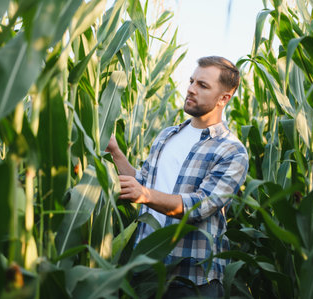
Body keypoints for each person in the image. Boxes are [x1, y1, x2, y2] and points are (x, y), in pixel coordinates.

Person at [106, 56, 249, 298]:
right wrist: (116, 152)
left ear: (224, 98)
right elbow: (143, 184)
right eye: (192, 81)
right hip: (145, 269)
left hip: (190, 281)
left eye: (203, 85)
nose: (191, 89)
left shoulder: (231, 151)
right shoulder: (167, 135)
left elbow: (199, 206)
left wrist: (145, 195)